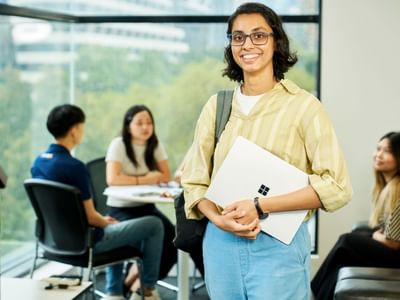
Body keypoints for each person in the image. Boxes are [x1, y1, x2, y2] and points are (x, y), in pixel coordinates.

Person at [181, 2, 353, 300]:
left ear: (276, 41)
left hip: (278, 245)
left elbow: (337, 186)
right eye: (238, 37)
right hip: (220, 243)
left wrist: (261, 206)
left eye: (258, 35)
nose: (247, 44)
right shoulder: (217, 106)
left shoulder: (304, 106)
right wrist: (217, 219)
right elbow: (194, 183)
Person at [31, 104, 163, 300]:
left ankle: (115, 292)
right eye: (82, 127)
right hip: (86, 242)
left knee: (116, 223)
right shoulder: (75, 167)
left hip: (51, 242)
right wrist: (106, 222)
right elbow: (92, 217)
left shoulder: (38, 162)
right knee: (154, 224)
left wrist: (103, 220)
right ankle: (148, 290)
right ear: (74, 130)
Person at [311, 131, 400, 299]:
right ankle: (320, 294)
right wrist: (376, 234)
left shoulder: (398, 189)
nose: (378, 155)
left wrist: (375, 235)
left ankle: (312, 290)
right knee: (347, 253)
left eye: (387, 151)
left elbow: (393, 243)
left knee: (347, 241)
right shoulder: (388, 186)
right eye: (378, 148)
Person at [105, 104, 176, 289]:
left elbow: (165, 175)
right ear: (128, 126)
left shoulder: (154, 144)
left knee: (175, 238)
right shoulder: (118, 144)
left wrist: (131, 179)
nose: (145, 127)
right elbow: (113, 179)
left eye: (149, 123)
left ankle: (136, 281)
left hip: (145, 207)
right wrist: (144, 179)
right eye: (139, 123)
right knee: (154, 234)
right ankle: (141, 286)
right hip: (121, 209)